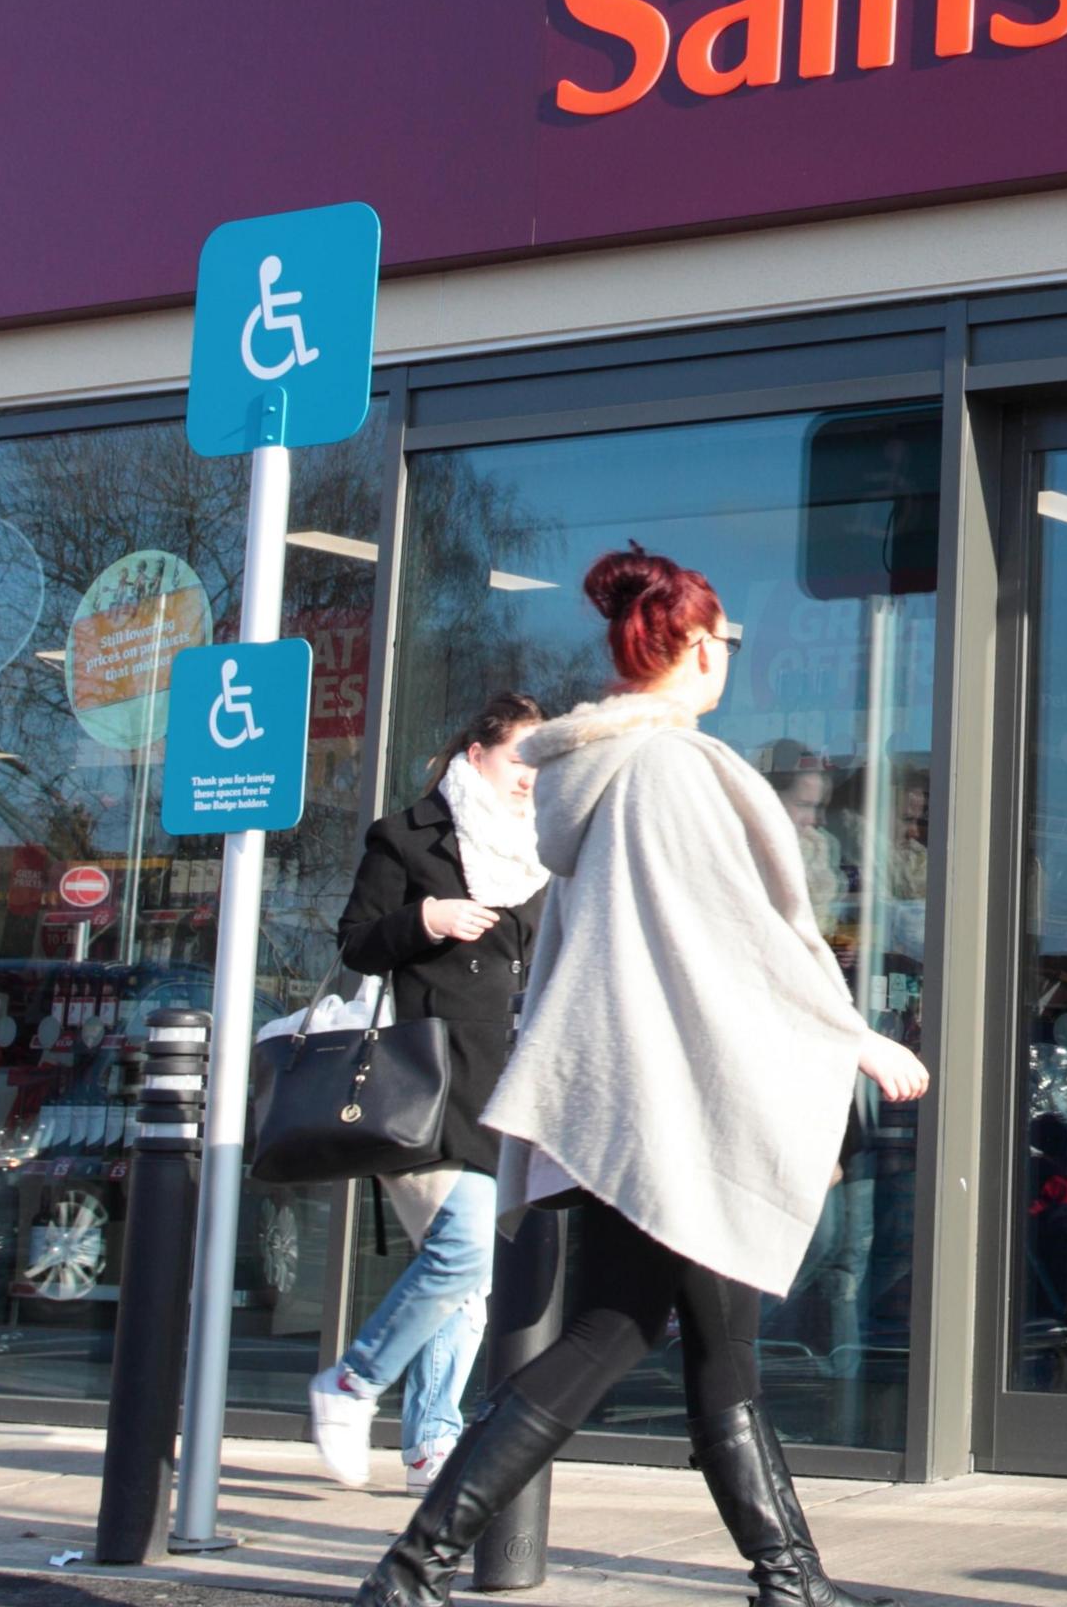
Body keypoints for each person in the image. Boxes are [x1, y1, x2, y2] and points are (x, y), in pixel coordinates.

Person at [350, 549, 928, 1607]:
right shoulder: (668, 771)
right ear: (698, 647)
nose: (727, 665)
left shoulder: (603, 777)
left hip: (643, 1102)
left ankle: (785, 1580)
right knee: (630, 1338)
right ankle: (413, 1571)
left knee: (685, 1343)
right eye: (725, 646)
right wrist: (854, 1036)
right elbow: (738, 941)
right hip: (683, 1109)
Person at [310, 691, 549, 1493]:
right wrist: (429, 918)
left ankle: (430, 1446)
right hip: (425, 1081)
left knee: (469, 1282)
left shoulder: (540, 852)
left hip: (504, 1089)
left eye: (540, 765)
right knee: (465, 1252)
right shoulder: (408, 834)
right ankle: (351, 1382)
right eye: (520, 758)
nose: (529, 778)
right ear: (477, 753)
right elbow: (356, 943)